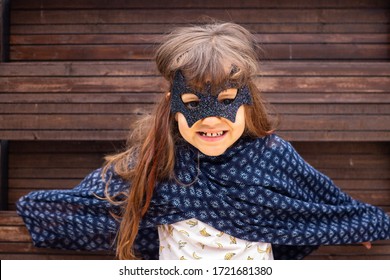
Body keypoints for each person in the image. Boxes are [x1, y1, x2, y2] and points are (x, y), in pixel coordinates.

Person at [16, 22, 390, 260]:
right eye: (194, 105)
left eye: (227, 102)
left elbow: (322, 195)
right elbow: (94, 197)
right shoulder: (153, 159)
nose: (211, 119)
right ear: (173, 106)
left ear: (248, 101)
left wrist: (358, 222)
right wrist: (40, 214)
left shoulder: (272, 154)